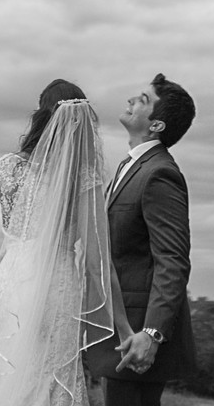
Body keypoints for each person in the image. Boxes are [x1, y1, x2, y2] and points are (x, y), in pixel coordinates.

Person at [0, 78, 133, 405]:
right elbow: (98, 261)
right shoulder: (81, 177)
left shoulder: (7, 168)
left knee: (10, 374)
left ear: (42, 115)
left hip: (10, 283)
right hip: (56, 283)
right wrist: (124, 327)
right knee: (48, 377)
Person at [89, 73, 196, 406]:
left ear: (157, 125)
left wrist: (152, 334)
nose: (132, 100)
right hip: (116, 326)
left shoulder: (160, 173)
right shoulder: (129, 166)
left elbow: (173, 260)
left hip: (137, 333)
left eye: (143, 100)